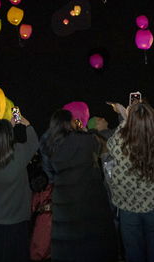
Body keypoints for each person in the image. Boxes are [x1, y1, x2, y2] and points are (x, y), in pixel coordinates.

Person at [40, 109, 117, 262]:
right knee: (92, 247)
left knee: (68, 247)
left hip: (64, 204)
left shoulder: (50, 147)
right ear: (70, 123)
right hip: (88, 200)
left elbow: (49, 175)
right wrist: (82, 129)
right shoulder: (85, 141)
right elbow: (104, 145)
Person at [106, 102, 154, 262]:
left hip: (128, 207)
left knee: (134, 253)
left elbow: (109, 145)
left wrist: (126, 119)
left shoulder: (120, 140)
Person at [0, 114, 39, 262]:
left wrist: (6, 129)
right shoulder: (19, 153)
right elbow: (33, 142)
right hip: (17, 222)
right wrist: (23, 122)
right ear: (10, 136)